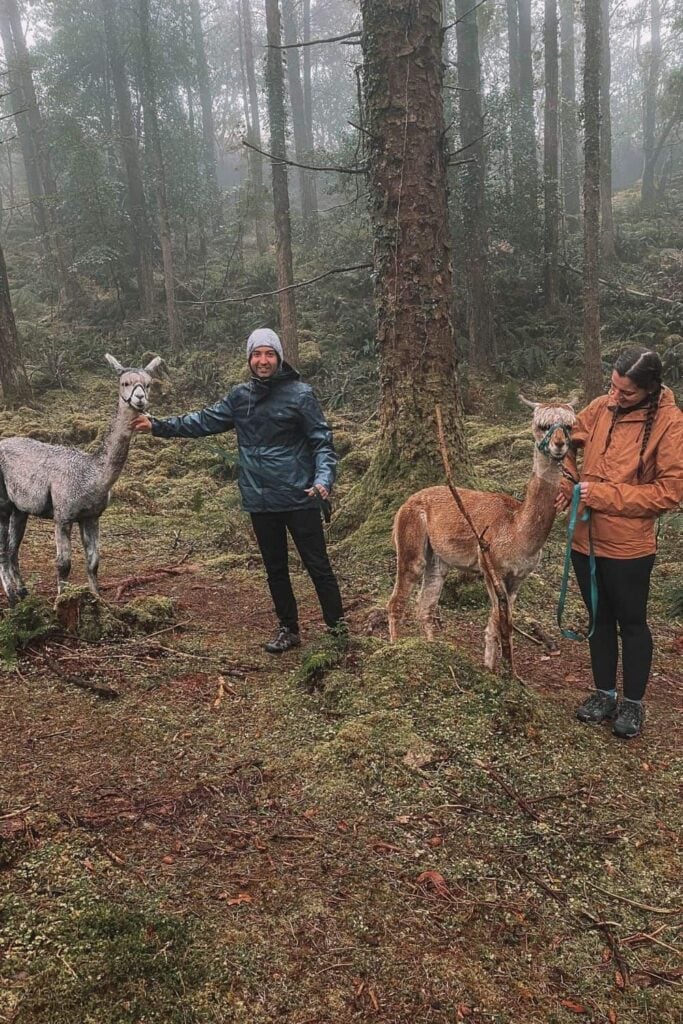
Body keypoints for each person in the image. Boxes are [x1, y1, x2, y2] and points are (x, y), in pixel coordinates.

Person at [132, 328, 344, 653]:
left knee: (317, 566)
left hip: (301, 497)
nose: (263, 361)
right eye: (257, 355)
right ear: (249, 359)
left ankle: (338, 631)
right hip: (259, 499)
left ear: (279, 358)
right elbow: (201, 421)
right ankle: (288, 629)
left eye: (269, 354)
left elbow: (322, 442)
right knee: (275, 569)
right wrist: (159, 425)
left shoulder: (301, 394)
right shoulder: (239, 397)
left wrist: (323, 480)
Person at [556, 347, 683, 738]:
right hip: (584, 539)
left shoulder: (669, 422)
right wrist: (568, 481)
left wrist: (605, 496)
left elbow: (671, 491)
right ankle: (604, 693)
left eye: (625, 393)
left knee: (631, 623)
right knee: (598, 620)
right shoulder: (600, 407)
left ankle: (633, 703)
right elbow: (565, 445)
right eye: (612, 387)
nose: (615, 397)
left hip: (629, 547)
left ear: (648, 389)